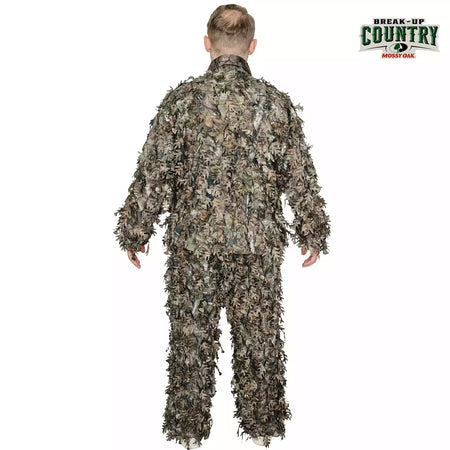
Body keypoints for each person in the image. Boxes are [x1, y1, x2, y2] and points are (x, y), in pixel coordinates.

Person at [113, 4, 331, 449]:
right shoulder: (274, 104)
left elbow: (155, 172)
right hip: (256, 249)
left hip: (195, 250)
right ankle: (263, 436)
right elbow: (299, 174)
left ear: (206, 44)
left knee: (191, 348)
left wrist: (134, 230)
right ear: (252, 47)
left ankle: (189, 440)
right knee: (261, 348)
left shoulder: (182, 103)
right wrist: (313, 230)